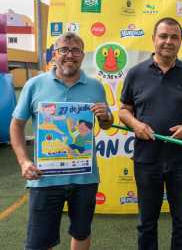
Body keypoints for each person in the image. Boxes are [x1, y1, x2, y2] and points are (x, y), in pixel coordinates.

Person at [10, 32, 113, 250]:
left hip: (84, 177)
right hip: (44, 178)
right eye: (63, 50)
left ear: (82, 56)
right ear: (54, 55)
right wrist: (23, 162)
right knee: (38, 242)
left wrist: (106, 116)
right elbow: (17, 125)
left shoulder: (95, 87)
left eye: (75, 50)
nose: (69, 55)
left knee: (81, 232)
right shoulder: (34, 85)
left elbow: (105, 124)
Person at [119, 17, 182, 250]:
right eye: (163, 36)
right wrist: (136, 125)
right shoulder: (136, 73)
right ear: (153, 39)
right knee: (146, 223)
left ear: (180, 41)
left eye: (174, 37)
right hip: (147, 159)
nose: (168, 41)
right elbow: (123, 111)